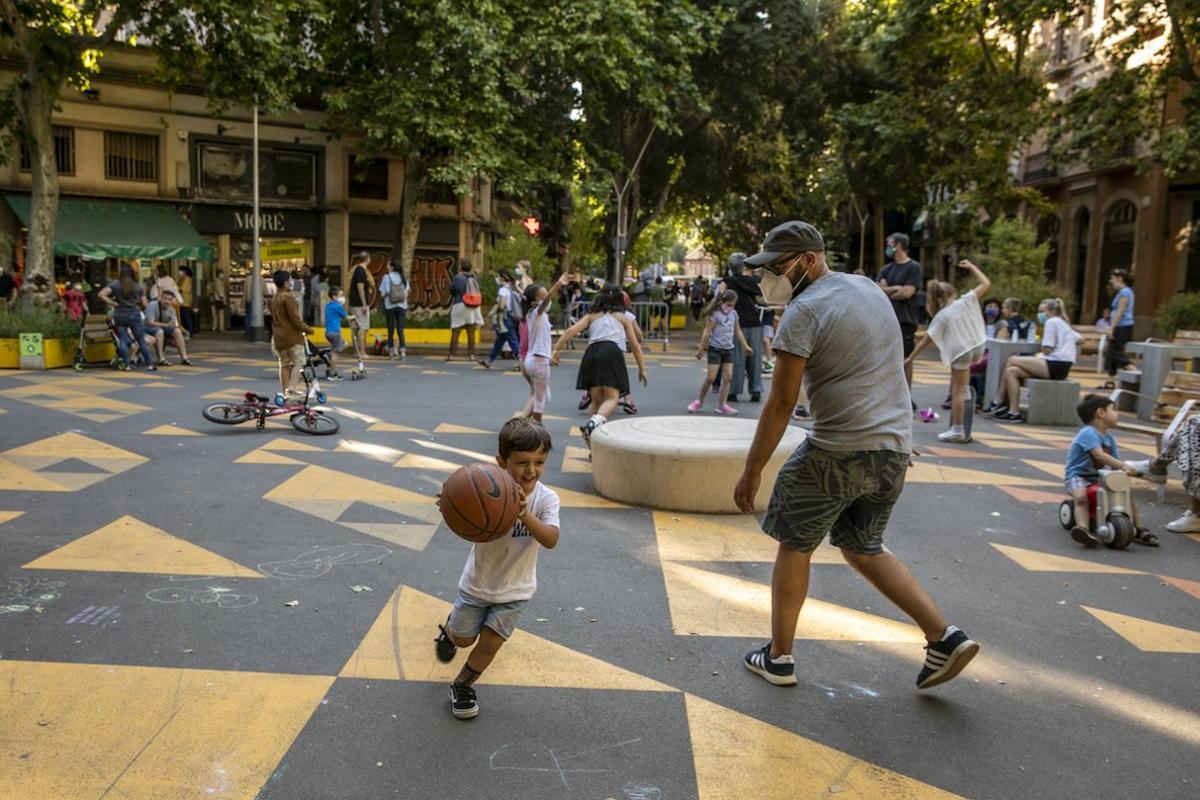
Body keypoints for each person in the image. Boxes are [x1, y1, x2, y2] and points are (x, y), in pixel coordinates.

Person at [733, 219, 978, 691]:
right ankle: (944, 637)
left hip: (836, 450)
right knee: (862, 546)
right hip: (891, 450)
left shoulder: (803, 311)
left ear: (808, 260)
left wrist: (752, 471)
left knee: (795, 542)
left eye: (778, 267)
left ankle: (779, 657)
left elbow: (782, 402)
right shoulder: (868, 288)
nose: (770, 278)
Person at [433, 418, 561, 720]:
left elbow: (551, 539)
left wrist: (523, 514)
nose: (531, 470)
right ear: (502, 462)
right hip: (477, 585)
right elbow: (462, 511)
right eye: (522, 462)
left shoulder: (546, 498)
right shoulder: (484, 489)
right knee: (465, 639)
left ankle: (462, 686)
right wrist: (453, 505)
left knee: (491, 642)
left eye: (539, 462)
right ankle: (451, 633)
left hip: (516, 589)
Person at [550, 285, 648, 447]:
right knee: (612, 398)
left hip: (592, 353)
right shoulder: (622, 317)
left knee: (596, 401)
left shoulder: (592, 315)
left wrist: (556, 350)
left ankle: (593, 444)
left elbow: (570, 331)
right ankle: (594, 424)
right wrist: (642, 369)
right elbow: (635, 345)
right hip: (612, 353)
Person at [905, 260, 991, 443]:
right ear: (952, 292)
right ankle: (964, 411)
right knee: (964, 388)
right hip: (977, 346)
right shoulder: (967, 300)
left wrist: (911, 358)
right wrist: (972, 267)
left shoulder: (942, 315)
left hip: (961, 351)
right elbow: (986, 283)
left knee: (957, 391)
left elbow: (927, 340)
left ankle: (957, 429)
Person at [1064, 395, 1158, 547]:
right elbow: (1098, 455)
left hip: (1102, 476)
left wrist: (1126, 472)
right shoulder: (1088, 432)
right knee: (1081, 498)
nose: (1117, 414)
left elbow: (1114, 463)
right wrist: (1124, 466)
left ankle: (1139, 528)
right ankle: (1083, 529)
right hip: (1079, 476)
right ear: (1101, 413)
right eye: (1114, 410)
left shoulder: (1110, 439)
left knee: (1126, 493)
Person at [985, 298, 1080, 421]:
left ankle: (998, 399)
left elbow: (1046, 349)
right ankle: (1013, 412)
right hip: (1062, 367)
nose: (1040, 314)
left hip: (1055, 364)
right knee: (1012, 371)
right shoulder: (1062, 323)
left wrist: (1047, 347)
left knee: (1012, 359)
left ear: (1051, 311)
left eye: (1042, 311)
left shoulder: (1051, 322)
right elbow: (1080, 339)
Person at [689, 289, 752, 415]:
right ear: (722, 302)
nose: (730, 307)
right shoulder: (715, 314)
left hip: (729, 349)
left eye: (733, 305)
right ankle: (699, 401)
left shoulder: (734, 314)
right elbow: (707, 332)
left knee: (728, 378)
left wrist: (745, 346)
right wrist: (701, 349)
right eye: (728, 304)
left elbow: (738, 331)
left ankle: (722, 405)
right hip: (715, 349)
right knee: (711, 378)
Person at [521, 273, 573, 422]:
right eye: (542, 297)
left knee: (545, 396)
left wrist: (550, 356)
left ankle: (523, 424)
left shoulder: (540, 317)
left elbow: (542, 340)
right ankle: (535, 430)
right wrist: (558, 284)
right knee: (540, 400)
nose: (546, 300)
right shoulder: (535, 313)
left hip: (538, 359)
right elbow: (546, 302)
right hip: (537, 361)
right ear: (533, 303)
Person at [878, 232, 924, 398]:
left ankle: (905, 397)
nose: (887, 247)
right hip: (886, 320)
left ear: (898, 245)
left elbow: (907, 293)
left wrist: (891, 290)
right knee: (885, 361)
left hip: (905, 321)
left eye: (889, 244)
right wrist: (896, 288)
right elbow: (880, 291)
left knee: (905, 361)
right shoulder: (886, 269)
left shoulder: (914, 268)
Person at [721, 253, 765, 402]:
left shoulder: (726, 282)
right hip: (754, 322)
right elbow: (761, 300)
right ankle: (756, 390)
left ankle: (733, 391)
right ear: (743, 266)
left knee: (736, 358)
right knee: (755, 358)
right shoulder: (753, 282)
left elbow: (720, 299)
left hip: (735, 323)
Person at [99, 264, 155, 371]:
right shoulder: (138, 286)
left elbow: (101, 294)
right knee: (141, 340)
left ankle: (126, 365)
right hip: (134, 314)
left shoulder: (116, 285)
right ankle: (150, 364)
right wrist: (138, 306)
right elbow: (145, 303)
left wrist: (112, 303)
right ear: (133, 273)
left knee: (123, 340)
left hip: (120, 315)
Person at [269, 269, 313, 405]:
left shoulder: (275, 298)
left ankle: (285, 392)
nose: (291, 283)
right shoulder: (288, 298)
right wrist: (308, 329)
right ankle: (292, 390)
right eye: (289, 280)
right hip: (292, 336)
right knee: (299, 362)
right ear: (286, 283)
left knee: (284, 365)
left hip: (278, 336)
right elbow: (295, 319)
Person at [479, 269, 521, 369]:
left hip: (504, 319)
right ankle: (488, 360)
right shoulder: (510, 288)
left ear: (502, 278)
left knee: (513, 340)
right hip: (511, 318)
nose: (497, 278)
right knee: (500, 340)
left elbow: (502, 306)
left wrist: (496, 309)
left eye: (498, 276)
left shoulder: (502, 290)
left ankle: (521, 362)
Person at [145, 288, 194, 366]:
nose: (167, 301)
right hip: (148, 328)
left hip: (161, 329)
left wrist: (182, 331)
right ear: (160, 298)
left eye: (169, 299)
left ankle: (184, 358)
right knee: (159, 331)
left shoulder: (171, 310)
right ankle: (161, 359)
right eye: (165, 298)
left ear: (172, 301)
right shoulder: (152, 305)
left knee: (177, 331)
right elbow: (149, 322)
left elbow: (174, 324)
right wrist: (166, 325)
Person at [448, 258, 484, 361]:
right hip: (473, 307)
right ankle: (471, 355)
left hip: (459, 304)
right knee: (471, 332)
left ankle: (452, 355)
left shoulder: (457, 278)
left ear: (461, 267)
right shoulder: (475, 278)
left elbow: (451, 290)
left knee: (456, 331)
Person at [1104, 269, 1135, 383]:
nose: (1111, 281)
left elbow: (1120, 311)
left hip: (1122, 326)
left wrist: (1111, 328)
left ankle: (1134, 371)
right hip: (1120, 325)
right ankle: (1110, 381)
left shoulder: (1125, 292)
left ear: (1120, 278)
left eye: (1112, 278)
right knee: (1111, 352)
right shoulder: (1124, 292)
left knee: (1116, 352)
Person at [379, 259, 409, 360]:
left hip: (390, 305)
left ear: (391, 267)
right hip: (402, 305)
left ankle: (391, 352)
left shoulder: (386, 277)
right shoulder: (403, 277)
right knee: (400, 329)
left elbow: (383, 292)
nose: (387, 266)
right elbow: (406, 292)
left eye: (388, 265)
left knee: (390, 329)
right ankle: (402, 351)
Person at [347, 252, 373, 368]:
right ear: (367, 259)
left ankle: (356, 352)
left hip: (353, 302)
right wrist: (364, 303)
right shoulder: (362, 271)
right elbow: (360, 287)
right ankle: (362, 352)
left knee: (355, 328)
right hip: (359, 303)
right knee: (363, 327)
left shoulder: (355, 270)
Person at [323, 286, 349, 380]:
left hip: (328, 332)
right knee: (335, 353)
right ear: (334, 296)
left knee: (344, 344)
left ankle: (328, 355)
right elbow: (346, 317)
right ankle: (332, 374)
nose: (342, 298)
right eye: (340, 295)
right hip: (335, 332)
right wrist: (354, 317)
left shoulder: (328, 305)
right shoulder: (337, 306)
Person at [177, 266, 197, 337]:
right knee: (184, 317)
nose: (179, 273)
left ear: (184, 271)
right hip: (182, 301)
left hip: (185, 301)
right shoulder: (182, 279)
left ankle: (190, 332)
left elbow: (182, 289)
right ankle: (187, 331)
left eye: (180, 271)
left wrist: (175, 287)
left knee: (186, 317)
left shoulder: (187, 279)